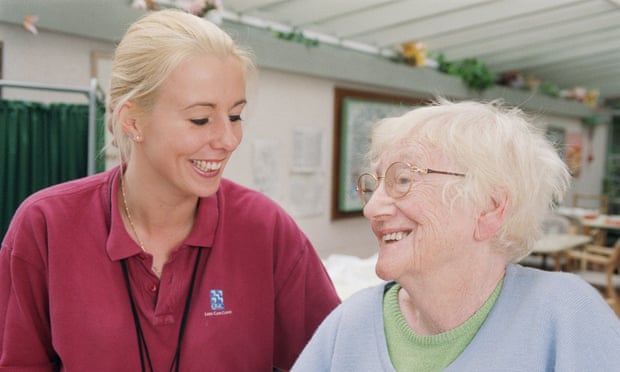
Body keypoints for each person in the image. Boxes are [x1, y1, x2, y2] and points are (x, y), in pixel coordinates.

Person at [0, 9, 340, 371]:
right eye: (200, 119)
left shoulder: (267, 230)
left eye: (236, 116)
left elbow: (339, 358)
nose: (228, 139)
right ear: (132, 121)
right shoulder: (45, 226)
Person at [292, 99, 620, 371]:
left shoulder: (566, 314)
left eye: (403, 180)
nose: (372, 208)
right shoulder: (350, 324)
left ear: (489, 208)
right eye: (375, 183)